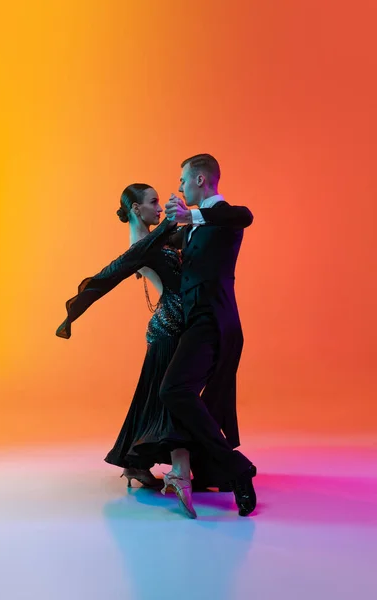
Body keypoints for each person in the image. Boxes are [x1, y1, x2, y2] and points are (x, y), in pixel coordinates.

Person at [57, 184, 203, 518]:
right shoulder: (142, 245)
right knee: (173, 397)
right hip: (170, 327)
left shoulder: (154, 240)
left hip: (172, 325)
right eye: (153, 203)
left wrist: (189, 217)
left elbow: (180, 238)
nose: (159, 208)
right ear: (136, 209)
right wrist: (73, 312)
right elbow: (112, 273)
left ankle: (133, 464)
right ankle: (180, 473)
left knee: (153, 397)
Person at [161, 153, 257, 516]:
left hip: (215, 322)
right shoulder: (194, 227)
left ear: (200, 180)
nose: (180, 187)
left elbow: (244, 215)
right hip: (199, 322)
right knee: (205, 403)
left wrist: (191, 216)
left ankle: (237, 469)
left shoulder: (224, 216)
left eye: (183, 180)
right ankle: (217, 470)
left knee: (174, 390)